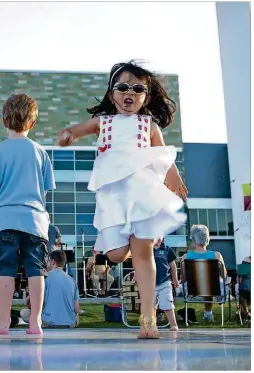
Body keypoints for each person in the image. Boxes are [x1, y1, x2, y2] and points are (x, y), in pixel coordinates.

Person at [56, 61, 187, 339]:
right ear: (112, 93)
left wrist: (173, 174)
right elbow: (76, 129)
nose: (129, 92)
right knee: (116, 254)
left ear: (146, 97)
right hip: (113, 196)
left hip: (141, 193)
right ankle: (132, 243)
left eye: (137, 88)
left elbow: (162, 154)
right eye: (122, 87)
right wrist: (67, 135)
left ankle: (148, 320)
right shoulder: (103, 121)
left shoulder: (148, 124)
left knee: (144, 252)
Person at [0, 93, 55, 335]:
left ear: (4, 121)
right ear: (32, 124)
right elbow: (45, 190)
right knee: (36, 270)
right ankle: (35, 322)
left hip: (4, 219)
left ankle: (4, 322)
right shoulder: (40, 151)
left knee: (5, 270)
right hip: (35, 220)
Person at [21, 250, 81, 328]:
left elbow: (30, 302)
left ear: (53, 262)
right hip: (70, 323)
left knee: (23, 312)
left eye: (48, 261)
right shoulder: (73, 281)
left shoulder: (45, 278)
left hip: (49, 322)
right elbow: (77, 309)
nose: (47, 263)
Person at [181, 225, 227, 322]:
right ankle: (208, 314)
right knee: (211, 284)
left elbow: (184, 278)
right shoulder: (216, 255)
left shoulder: (185, 257)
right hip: (212, 288)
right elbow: (224, 275)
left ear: (193, 239)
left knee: (203, 284)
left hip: (192, 289)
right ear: (207, 239)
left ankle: (207, 314)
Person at [153, 238, 179, 331]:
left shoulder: (167, 249)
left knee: (167, 303)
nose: (159, 239)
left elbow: (172, 265)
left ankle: (173, 324)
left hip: (165, 282)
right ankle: (151, 326)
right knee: (151, 306)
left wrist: (175, 279)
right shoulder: (147, 249)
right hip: (150, 283)